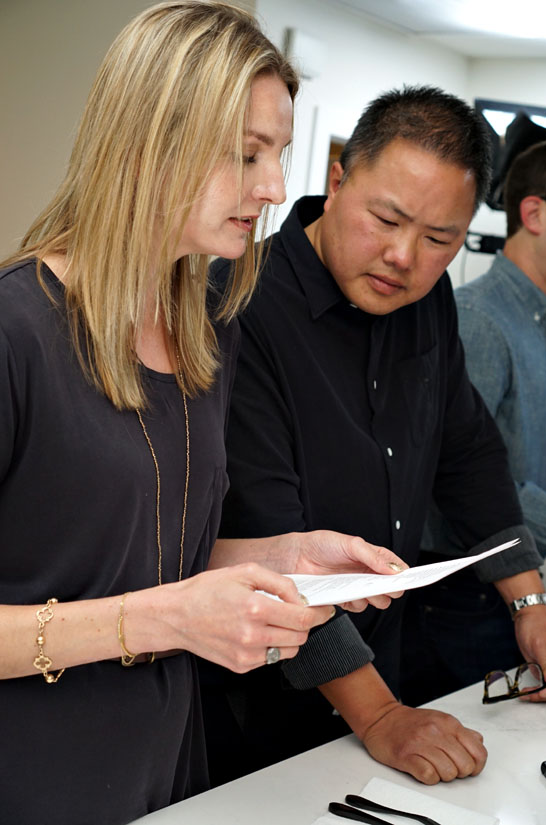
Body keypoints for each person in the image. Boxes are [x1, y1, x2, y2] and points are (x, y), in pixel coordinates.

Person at [0, 5, 407, 824]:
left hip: (166, 775)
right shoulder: (18, 332)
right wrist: (166, 618)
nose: (275, 187)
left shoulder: (203, 328)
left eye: (280, 154)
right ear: (146, 142)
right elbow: (147, 599)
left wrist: (290, 556)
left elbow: (136, 547)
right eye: (246, 154)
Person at [208, 85, 546, 788]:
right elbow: (274, 557)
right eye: (386, 219)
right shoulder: (239, 303)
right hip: (259, 709)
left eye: (438, 240)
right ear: (338, 181)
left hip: (380, 675)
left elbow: (469, 454)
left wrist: (530, 602)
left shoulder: (428, 306)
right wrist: (381, 716)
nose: (403, 256)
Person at [400, 139, 546, 707]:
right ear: (533, 213)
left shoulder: (539, 320)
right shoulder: (480, 319)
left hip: (511, 587)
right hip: (461, 599)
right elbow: (451, 474)